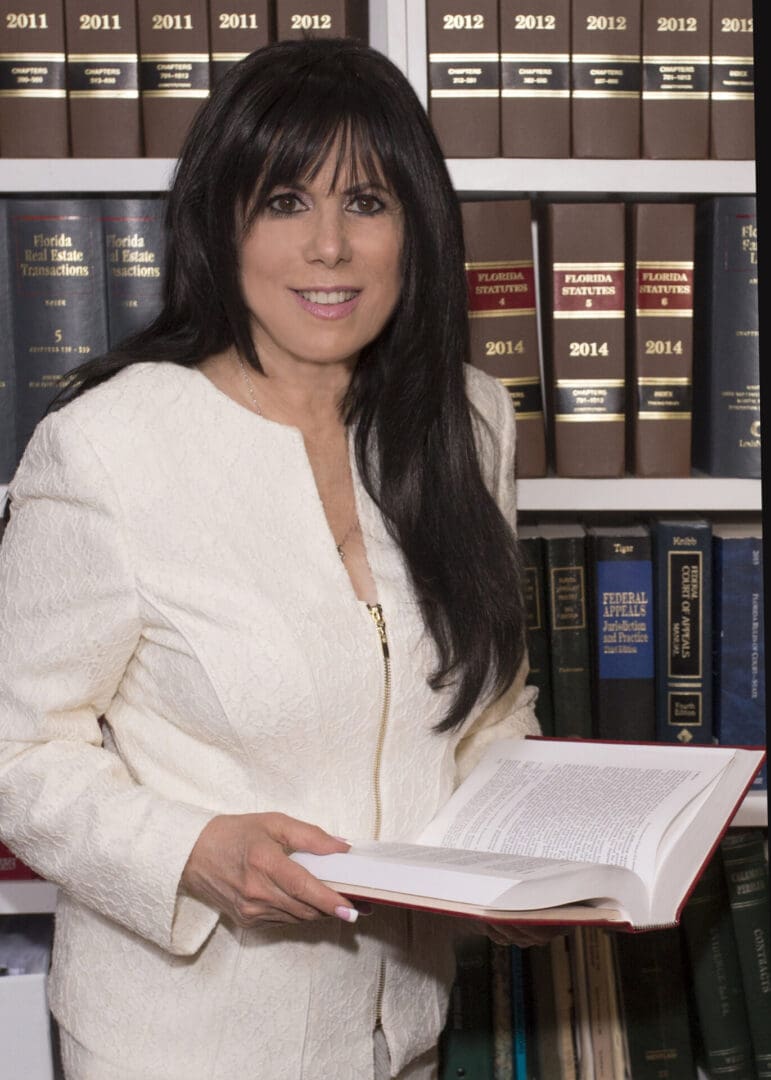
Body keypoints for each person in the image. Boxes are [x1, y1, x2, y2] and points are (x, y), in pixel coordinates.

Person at [0, 37, 546, 1080]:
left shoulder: (468, 421)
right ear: (222, 220)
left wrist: (520, 877)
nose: (329, 247)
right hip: (179, 1044)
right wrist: (189, 853)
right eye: (286, 201)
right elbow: (17, 751)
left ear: (416, 231)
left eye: (369, 203)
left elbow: (490, 705)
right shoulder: (109, 448)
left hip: (403, 1033)